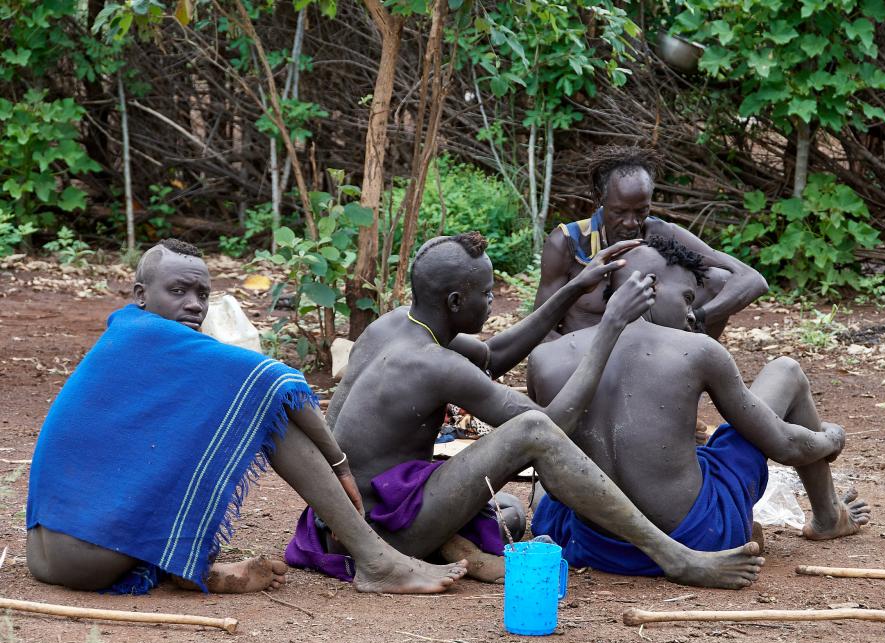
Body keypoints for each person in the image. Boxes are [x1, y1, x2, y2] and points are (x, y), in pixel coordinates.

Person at [310, 231, 763, 588]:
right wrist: (609, 329)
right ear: (455, 303)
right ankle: (675, 556)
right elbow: (551, 427)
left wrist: (570, 292)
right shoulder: (435, 364)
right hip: (381, 533)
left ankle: (460, 547)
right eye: (487, 295)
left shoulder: (396, 325)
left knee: (507, 511)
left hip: (339, 519)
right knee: (530, 430)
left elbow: (492, 357)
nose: (492, 302)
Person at [26, 238, 467, 595]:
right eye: (177, 291)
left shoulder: (124, 333)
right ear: (141, 295)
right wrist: (341, 464)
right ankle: (374, 559)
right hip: (92, 552)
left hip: (47, 555)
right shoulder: (160, 339)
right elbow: (279, 383)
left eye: (202, 293)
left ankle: (198, 567)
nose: (194, 305)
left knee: (220, 414)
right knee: (264, 412)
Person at [527, 237, 869, 577]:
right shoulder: (697, 350)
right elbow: (786, 445)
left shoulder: (544, 358)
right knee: (785, 372)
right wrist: (831, 439)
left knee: (555, 463)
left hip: (597, 548)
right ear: (649, 287)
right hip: (701, 537)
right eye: (687, 298)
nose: (692, 315)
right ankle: (828, 515)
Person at [535, 146, 768, 339]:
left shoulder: (658, 232)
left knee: (716, 279)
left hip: (648, 363)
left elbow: (752, 280)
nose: (630, 222)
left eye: (641, 211)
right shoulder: (568, 243)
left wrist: (700, 316)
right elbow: (540, 330)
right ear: (599, 197)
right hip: (582, 365)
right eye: (619, 211)